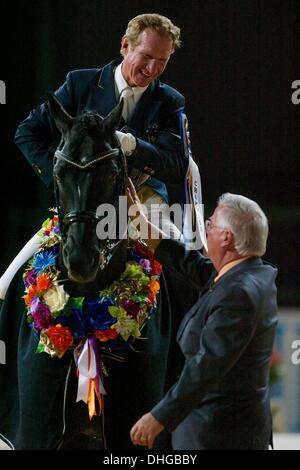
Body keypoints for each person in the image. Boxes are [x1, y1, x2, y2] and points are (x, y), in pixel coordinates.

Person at [0, 13, 201, 449]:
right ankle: (16, 405)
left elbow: (177, 162)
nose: (152, 69)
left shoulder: (170, 101)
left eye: (162, 62)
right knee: (11, 279)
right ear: (125, 46)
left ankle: (183, 379)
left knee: (184, 279)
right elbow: (27, 132)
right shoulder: (79, 83)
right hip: (84, 202)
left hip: (142, 202)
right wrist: (62, 177)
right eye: (147, 57)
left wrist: (136, 146)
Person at [127, 181, 278, 450]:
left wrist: (158, 417)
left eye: (211, 225)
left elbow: (205, 368)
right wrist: (140, 219)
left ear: (227, 238)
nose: (206, 230)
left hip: (218, 435)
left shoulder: (238, 293)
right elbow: (188, 263)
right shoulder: (253, 275)